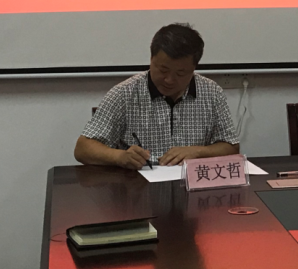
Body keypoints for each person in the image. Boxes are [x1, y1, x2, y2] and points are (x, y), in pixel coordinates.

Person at [74, 23, 239, 170]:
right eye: (163, 70)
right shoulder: (124, 93)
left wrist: (198, 152)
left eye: (180, 73)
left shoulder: (211, 92)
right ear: (151, 59)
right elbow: (83, 149)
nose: (169, 80)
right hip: (137, 187)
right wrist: (120, 157)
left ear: (194, 68)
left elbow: (231, 147)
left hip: (192, 186)